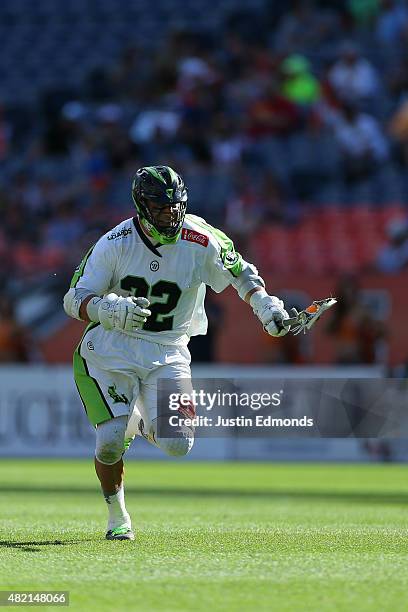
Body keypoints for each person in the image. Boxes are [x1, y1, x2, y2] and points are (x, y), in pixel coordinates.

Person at [63, 165, 290, 541]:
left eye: (176, 205)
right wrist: (105, 309)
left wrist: (266, 306)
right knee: (109, 443)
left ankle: (131, 422)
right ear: (141, 205)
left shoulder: (201, 238)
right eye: (161, 205)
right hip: (110, 350)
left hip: (168, 349)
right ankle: (117, 516)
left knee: (178, 443)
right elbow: (74, 298)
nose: (171, 213)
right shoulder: (114, 242)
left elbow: (241, 273)